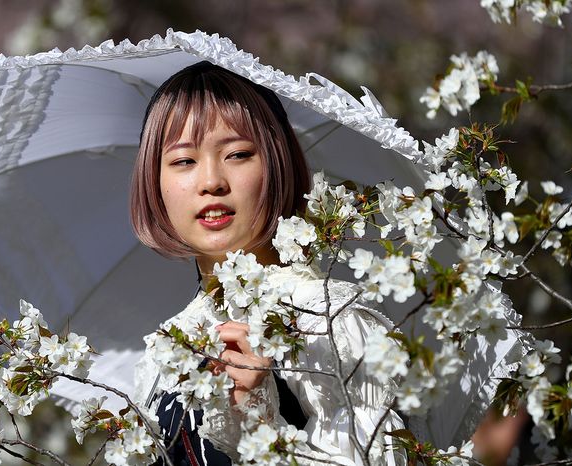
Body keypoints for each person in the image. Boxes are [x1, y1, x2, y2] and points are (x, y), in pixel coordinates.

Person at [129, 61, 407, 465]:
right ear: (155, 182)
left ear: (278, 163)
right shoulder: (166, 350)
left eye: (238, 154)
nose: (211, 181)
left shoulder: (326, 321)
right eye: (183, 161)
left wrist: (261, 419)